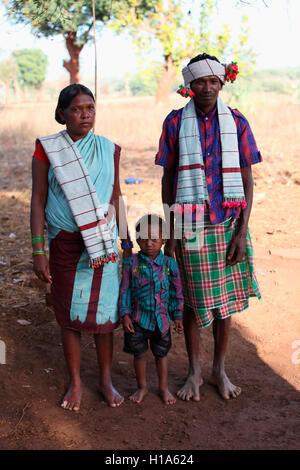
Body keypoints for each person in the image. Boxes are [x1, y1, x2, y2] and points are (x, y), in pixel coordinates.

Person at [155, 53, 262, 401]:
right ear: (189, 85)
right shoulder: (174, 123)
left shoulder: (237, 122)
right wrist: (171, 230)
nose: (207, 88)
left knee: (225, 303)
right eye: (200, 81)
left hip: (228, 223)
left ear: (222, 83)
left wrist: (242, 230)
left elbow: (247, 178)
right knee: (192, 302)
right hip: (190, 224)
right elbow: (169, 177)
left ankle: (219, 369)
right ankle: (194, 372)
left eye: (213, 81)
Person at [30, 84, 133, 411]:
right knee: (70, 314)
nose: (86, 114)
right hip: (64, 241)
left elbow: (116, 196)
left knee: (105, 314)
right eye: (77, 109)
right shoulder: (47, 149)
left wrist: (127, 239)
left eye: (90, 107)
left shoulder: (108, 148)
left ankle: (105, 380)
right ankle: (75, 380)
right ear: (62, 114)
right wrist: (38, 250)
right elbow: (38, 199)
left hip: (103, 242)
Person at [118, 214, 184, 405]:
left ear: (163, 240)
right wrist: (125, 314)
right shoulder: (131, 264)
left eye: (154, 238)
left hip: (161, 321)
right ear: (137, 239)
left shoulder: (170, 265)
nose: (149, 243)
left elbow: (176, 292)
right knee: (139, 354)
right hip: (138, 319)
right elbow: (125, 290)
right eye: (144, 239)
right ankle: (142, 387)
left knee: (161, 354)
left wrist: (177, 315)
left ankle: (163, 388)